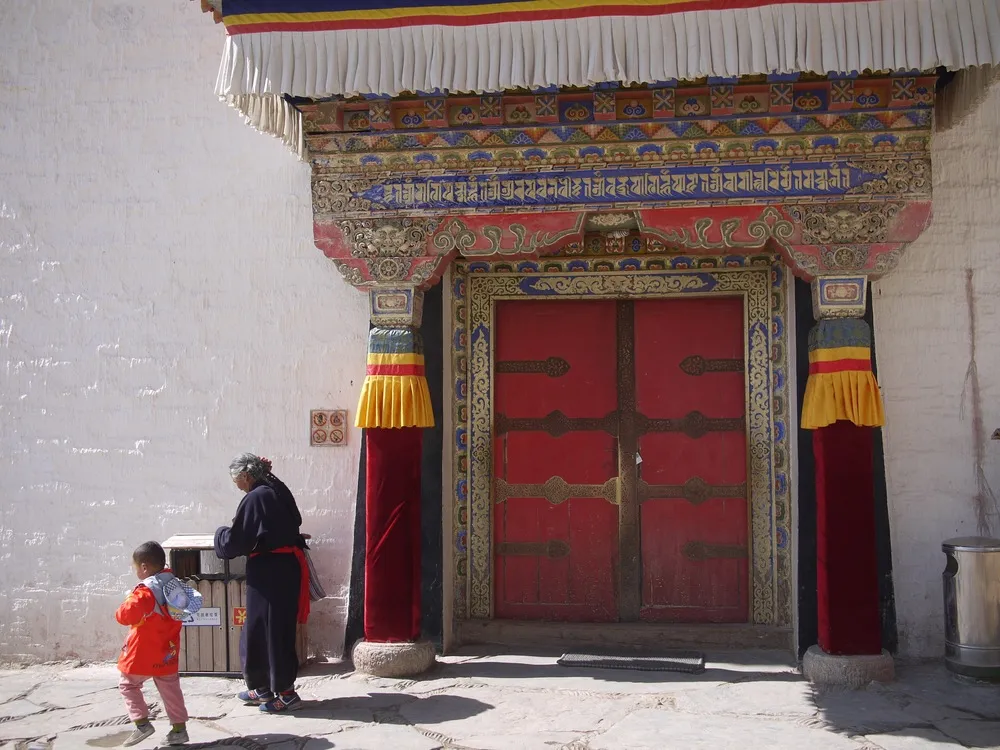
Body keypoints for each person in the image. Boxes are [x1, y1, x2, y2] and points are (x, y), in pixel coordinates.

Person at [214, 453, 309, 712]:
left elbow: (237, 541)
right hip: (281, 569)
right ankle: (261, 687)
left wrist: (220, 535)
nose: (237, 486)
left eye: (237, 480)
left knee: (273, 630)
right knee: (258, 628)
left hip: (271, 572)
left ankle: (286, 693)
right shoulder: (276, 489)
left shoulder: (256, 497)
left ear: (246, 476)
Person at [116, 541, 192, 746]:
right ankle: (179, 729)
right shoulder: (175, 583)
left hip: (143, 649)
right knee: (170, 688)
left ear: (144, 567)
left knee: (128, 684)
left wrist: (126, 602)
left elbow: (125, 616)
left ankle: (142, 723)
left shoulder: (145, 591)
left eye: (135, 567)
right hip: (168, 648)